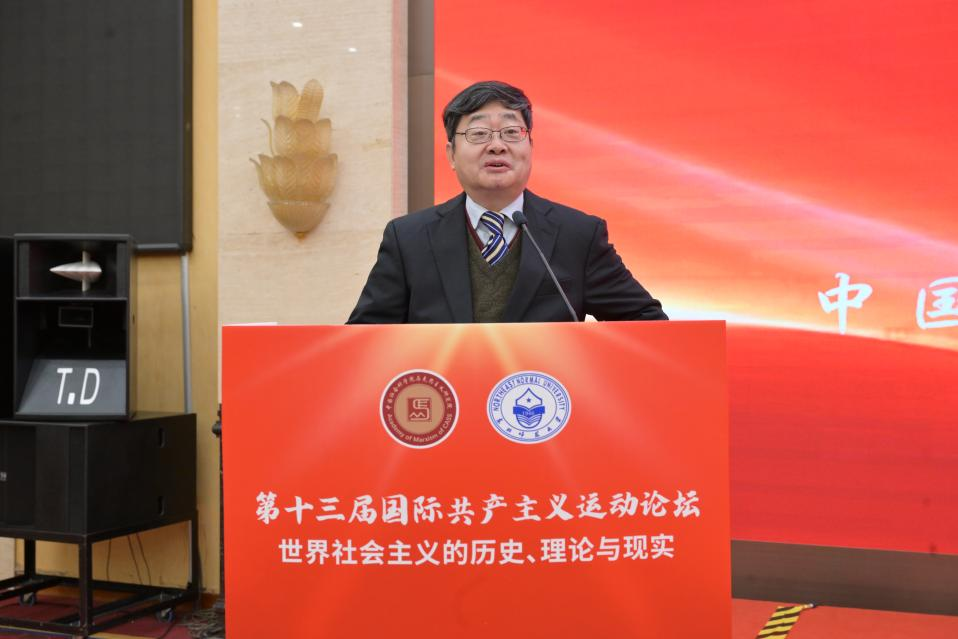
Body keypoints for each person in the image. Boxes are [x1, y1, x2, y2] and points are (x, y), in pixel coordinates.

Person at [347, 80, 667, 324]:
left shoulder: (578, 235)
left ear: (531, 147)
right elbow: (364, 337)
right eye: (479, 134)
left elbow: (647, 324)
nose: (497, 146)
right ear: (451, 155)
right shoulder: (408, 239)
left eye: (511, 132)